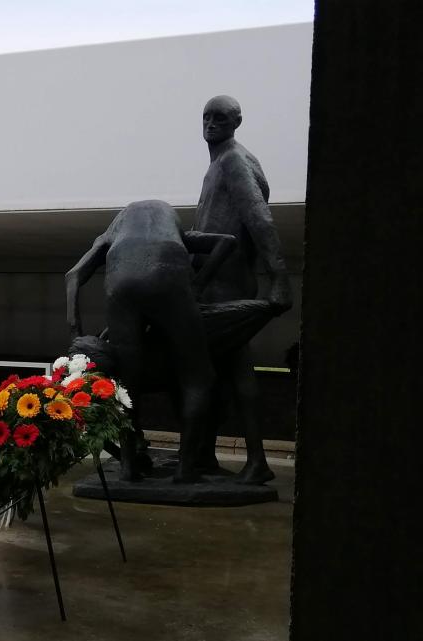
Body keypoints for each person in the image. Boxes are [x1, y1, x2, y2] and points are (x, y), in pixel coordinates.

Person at [66, 200, 236, 482]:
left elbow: (73, 276)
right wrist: (198, 283)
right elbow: (226, 242)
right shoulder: (170, 227)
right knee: (198, 378)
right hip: (168, 271)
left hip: (121, 282)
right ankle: (187, 469)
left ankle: (128, 467)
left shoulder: (112, 233)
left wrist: (77, 334)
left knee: (125, 385)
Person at [193, 95, 293, 484]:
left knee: (235, 370)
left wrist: (279, 277)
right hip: (216, 281)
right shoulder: (219, 163)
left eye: (221, 118)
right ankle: (207, 456)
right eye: (206, 117)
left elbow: (259, 219)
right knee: (222, 372)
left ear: (236, 123)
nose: (211, 124)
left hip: (227, 285)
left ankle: (255, 460)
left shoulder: (234, 161)